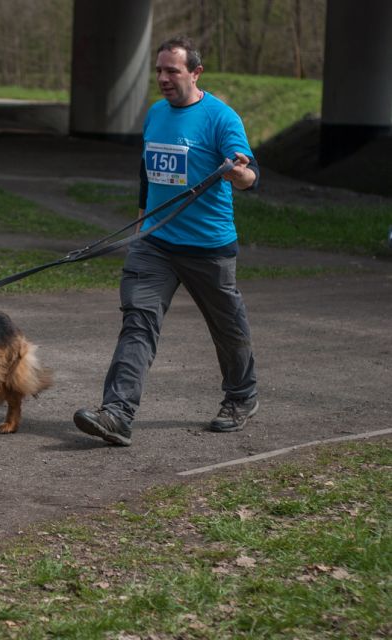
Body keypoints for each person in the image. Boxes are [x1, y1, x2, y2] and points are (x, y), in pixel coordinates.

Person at [73, 36, 259, 447]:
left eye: (172, 71)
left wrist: (238, 172)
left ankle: (241, 397)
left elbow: (250, 175)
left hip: (209, 247)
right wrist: (142, 222)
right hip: (154, 244)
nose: (162, 78)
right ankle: (117, 414)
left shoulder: (221, 118)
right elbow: (148, 172)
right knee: (137, 324)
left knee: (228, 328)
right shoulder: (156, 114)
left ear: (195, 73)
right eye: (158, 70)